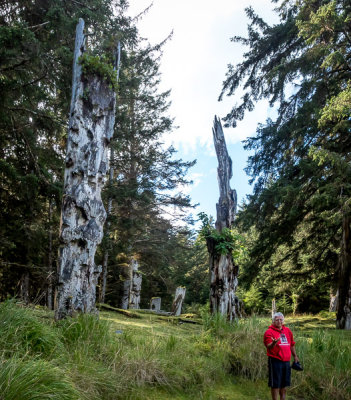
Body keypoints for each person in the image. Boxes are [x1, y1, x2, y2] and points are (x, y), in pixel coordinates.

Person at [263, 312, 299, 400]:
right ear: (273, 321)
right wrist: (274, 343)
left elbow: (292, 344)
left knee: (284, 384)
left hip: (286, 361)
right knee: (275, 384)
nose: (279, 321)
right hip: (275, 361)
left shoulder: (287, 331)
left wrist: (295, 356)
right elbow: (268, 346)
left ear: (283, 320)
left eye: (281, 319)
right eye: (277, 320)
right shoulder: (269, 332)